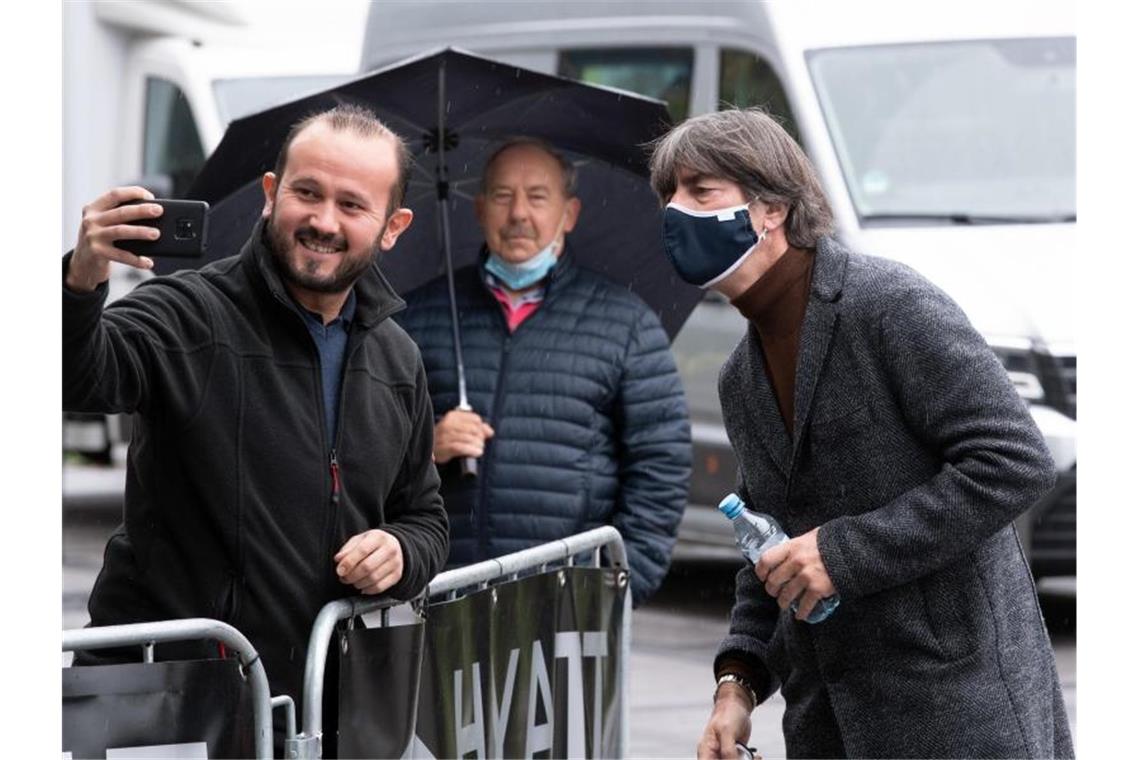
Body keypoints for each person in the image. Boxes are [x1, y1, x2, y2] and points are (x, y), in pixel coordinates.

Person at [647, 108, 1073, 759]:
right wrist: (736, 687)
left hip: (955, 712)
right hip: (827, 725)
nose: (675, 211)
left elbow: (1014, 461)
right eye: (668, 196)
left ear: (772, 209)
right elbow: (766, 548)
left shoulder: (887, 305)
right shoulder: (741, 376)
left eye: (700, 192)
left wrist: (843, 553)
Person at [62, 104, 449, 719]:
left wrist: (400, 553)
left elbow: (425, 516)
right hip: (171, 707)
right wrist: (80, 283)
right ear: (272, 193)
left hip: (320, 709)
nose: (323, 220)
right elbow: (75, 380)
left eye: (352, 205)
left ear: (392, 225)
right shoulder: (188, 311)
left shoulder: (397, 356)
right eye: (307, 192)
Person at [396, 137, 691, 606]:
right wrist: (426, 448)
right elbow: (365, 452)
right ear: (478, 210)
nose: (518, 214)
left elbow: (660, 469)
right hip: (442, 600)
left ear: (568, 213)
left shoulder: (625, 324)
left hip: (567, 606)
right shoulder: (418, 317)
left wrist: (616, 588)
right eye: (501, 195)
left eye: (537, 196)